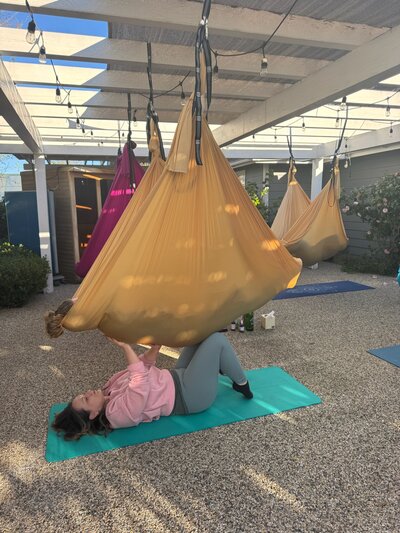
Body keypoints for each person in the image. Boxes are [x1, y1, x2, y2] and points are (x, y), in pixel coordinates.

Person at [52, 333, 253, 441]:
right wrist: (125, 347)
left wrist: (154, 350)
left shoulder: (108, 390)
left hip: (176, 376)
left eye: (83, 394)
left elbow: (142, 368)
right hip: (189, 396)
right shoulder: (118, 415)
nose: (88, 392)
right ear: (94, 414)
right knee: (217, 340)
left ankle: (217, 366)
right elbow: (139, 383)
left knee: (200, 335)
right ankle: (241, 384)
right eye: (86, 399)